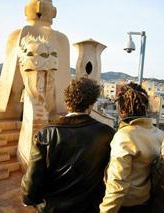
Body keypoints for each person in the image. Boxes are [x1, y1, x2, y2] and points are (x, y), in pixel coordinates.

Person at [21, 77, 115, 213]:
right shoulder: (107, 134)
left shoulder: (45, 134)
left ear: (67, 102)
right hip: (89, 208)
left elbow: (31, 183)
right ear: (91, 104)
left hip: (52, 208)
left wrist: (29, 200)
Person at [99, 82, 164, 213]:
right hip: (146, 201)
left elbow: (118, 185)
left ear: (122, 110)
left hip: (125, 205)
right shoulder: (159, 134)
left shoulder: (125, 136)